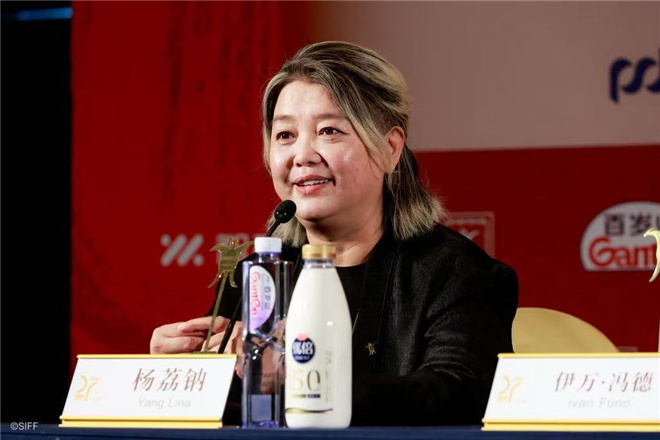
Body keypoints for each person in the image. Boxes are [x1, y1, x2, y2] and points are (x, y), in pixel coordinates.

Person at [150, 41, 518, 425]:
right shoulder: (259, 276)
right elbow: (233, 412)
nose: (302, 155)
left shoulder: (455, 273)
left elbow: (460, 393)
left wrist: (300, 381)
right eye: (285, 135)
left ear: (390, 148)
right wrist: (184, 377)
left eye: (328, 130)